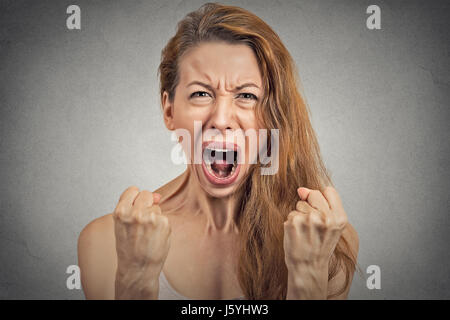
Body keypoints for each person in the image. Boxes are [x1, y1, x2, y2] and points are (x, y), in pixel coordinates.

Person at [77, 3, 359, 300]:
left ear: (275, 117)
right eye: (201, 93)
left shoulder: (327, 241)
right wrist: (135, 278)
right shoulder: (106, 242)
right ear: (169, 109)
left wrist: (308, 274)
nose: (222, 120)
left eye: (247, 95)